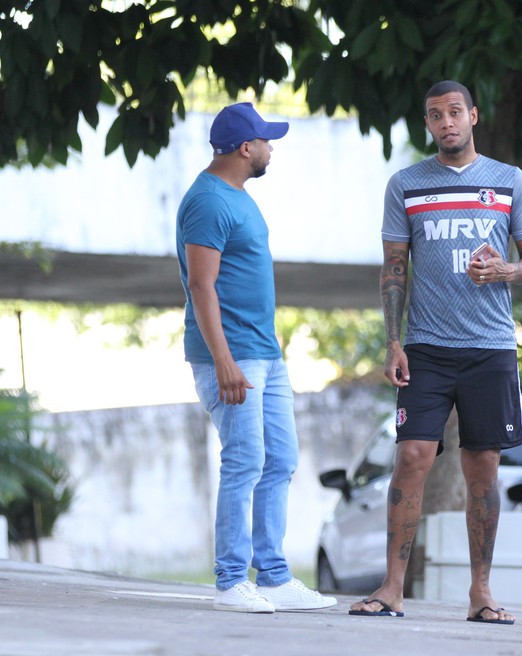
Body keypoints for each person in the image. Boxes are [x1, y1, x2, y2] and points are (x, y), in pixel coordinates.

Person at [348, 80, 522, 624]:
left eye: (455, 112)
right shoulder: (406, 184)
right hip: (425, 349)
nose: (446, 122)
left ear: (473, 116)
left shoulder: (508, 182)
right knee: (411, 458)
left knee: (482, 467)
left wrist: (505, 269)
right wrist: (393, 341)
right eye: (436, 115)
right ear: (428, 124)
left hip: (491, 348)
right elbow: (393, 269)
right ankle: (391, 588)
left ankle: (481, 592)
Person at [176, 102, 335, 614]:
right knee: (244, 461)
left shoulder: (239, 196)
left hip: (265, 353)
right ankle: (229, 581)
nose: (272, 149)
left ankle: (272, 576)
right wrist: (223, 360)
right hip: (233, 356)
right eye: (267, 141)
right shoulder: (207, 201)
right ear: (246, 149)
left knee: (280, 460)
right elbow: (201, 286)